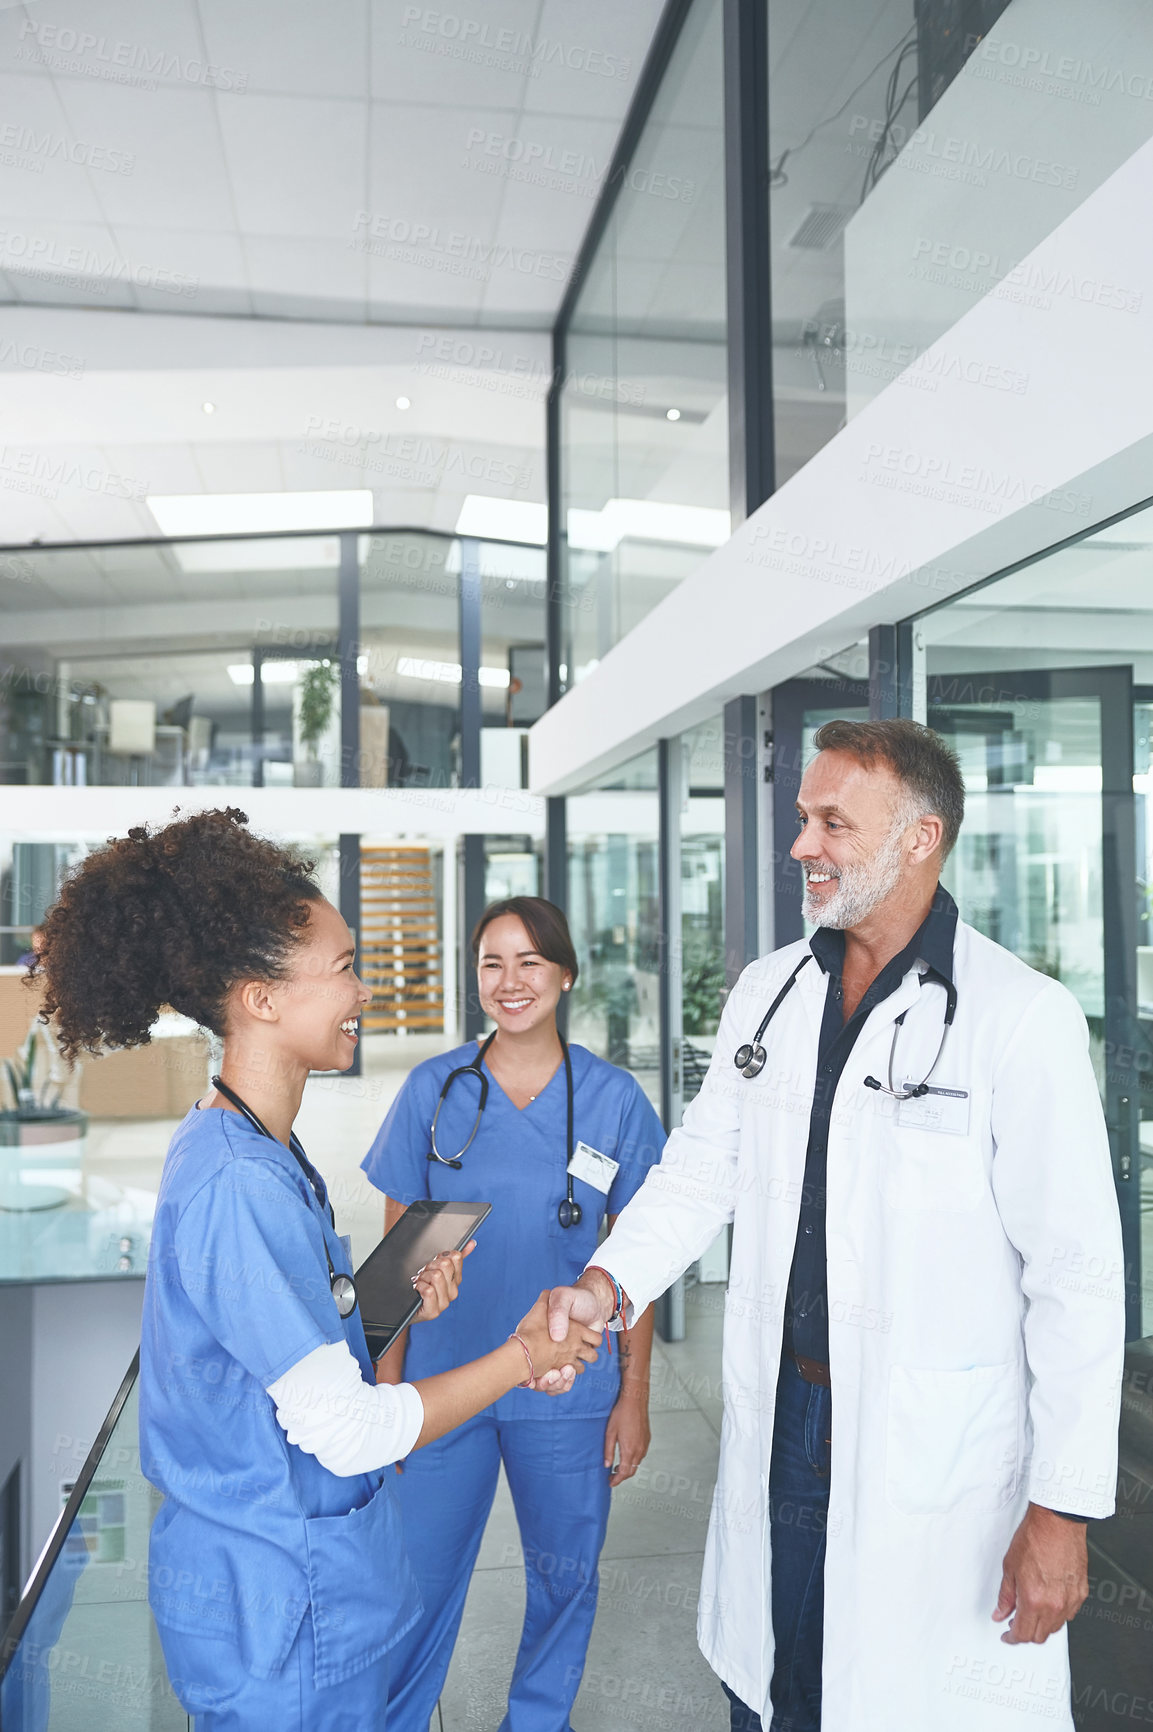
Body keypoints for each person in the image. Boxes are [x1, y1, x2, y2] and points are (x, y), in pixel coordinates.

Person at [544, 719, 1126, 1732]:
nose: (800, 843)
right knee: (776, 1683)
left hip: (931, 1441)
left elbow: (1074, 1273)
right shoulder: (769, 993)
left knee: (911, 1692)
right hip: (785, 1409)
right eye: (804, 818)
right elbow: (698, 1171)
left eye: (829, 822)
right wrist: (606, 1284)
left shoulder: (1018, 1017)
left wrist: (1062, 1508)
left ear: (917, 838)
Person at [34, 810, 601, 1732]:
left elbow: (284, 1344)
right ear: (260, 998)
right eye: (342, 968)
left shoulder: (257, 1146)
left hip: (308, 1597)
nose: (364, 990)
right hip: (275, 1616)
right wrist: (522, 1357)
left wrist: (393, 1304)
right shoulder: (233, 1182)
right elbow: (342, 1428)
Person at [363, 895, 667, 1732]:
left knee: (565, 1578)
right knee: (415, 1581)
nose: (510, 981)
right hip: (441, 1384)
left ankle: (536, 1721)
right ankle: (396, 1720)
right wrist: (386, 1400)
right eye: (492, 962)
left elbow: (638, 1262)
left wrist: (632, 1398)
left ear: (564, 975)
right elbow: (393, 1265)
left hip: (565, 1391)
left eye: (530, 961)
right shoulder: (434, 1089)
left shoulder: (612, 1100)